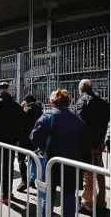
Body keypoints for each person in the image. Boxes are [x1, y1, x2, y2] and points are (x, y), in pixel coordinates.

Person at [30, 89, 91, 217]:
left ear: (53, 102)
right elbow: (85, 144)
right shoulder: (77, 120)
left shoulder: (48, 117)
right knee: (69, 195)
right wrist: (86, 164)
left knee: (48, 195)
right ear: (68, 102)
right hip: (72, 163)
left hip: (51, 162)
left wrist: (43, 147)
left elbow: (34, 138)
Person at [75, 79, 110, 213]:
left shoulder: (82, 101)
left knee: (88, 174)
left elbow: (79, 123)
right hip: (99, 142)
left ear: (81, 88)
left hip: (88, 143)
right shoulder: (103, 103)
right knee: (100, 171)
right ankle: (101, 200)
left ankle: (87, 203)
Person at [17, 94, 43, 192]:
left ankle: (24, 181)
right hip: (36, 139)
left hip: (24, 139)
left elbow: (18, 120)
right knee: (34, 159)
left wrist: (21, 107)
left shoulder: (25, 112)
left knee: (21, 160)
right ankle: (32, 179)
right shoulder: (40, 111)